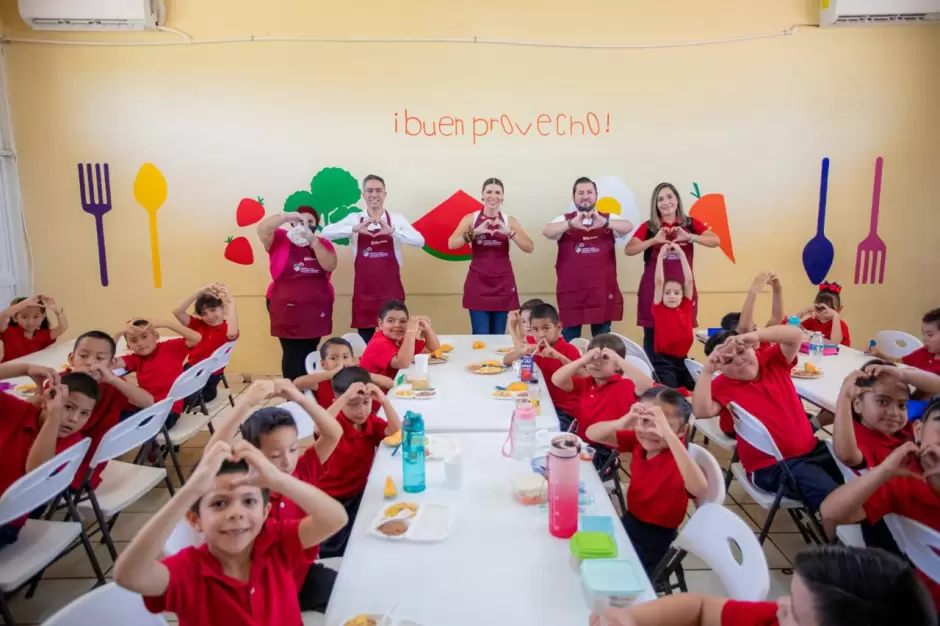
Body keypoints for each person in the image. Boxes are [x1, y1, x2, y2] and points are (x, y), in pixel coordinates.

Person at [113, 440, 348, 626]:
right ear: (195, 520)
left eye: (248, 501)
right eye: (219, 504)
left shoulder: (276, 542)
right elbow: (130, 576)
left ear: (266, 512)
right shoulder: (189, 571)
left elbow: (335, 518)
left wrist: (279, 480)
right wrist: (190, 491)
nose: (236, 513)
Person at [206, 379, 343, 613]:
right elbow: (210, 458)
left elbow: (333, 433)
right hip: (264, 589)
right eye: (275, 455)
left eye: (292, 449)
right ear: (252, 455)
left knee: (352, 595)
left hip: (301, 574)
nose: (287, 461)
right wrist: (246, 402)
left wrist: (300, 398)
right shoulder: (244, 490)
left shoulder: (301, 469)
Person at [692, 326, 843, 523]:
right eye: (728, 361)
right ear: (720, 369)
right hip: (772, 467)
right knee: (835, 500)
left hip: (812, 449)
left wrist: (753, 336)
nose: (739, 360)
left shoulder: (770, 360)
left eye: (742, 350)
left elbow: (796, 335)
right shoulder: (723, 384)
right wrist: (707, 370)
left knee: (857, 472)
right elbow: (701, 411)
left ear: (752, 347)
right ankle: (839, 542)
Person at [590, 545, 938, 626]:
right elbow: (701, 607)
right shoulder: (776, 617)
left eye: (795, 614)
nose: (779, 603)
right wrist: (633, 619)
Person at [820, 398, 940, 611]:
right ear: (919, 430)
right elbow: (830, 512)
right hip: (923, 604)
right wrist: (884, 470)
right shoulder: (902, 479)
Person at [586, 387, 707, 575]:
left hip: (656, 539)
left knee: (607, 572)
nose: (649, 431)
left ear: (682, 430)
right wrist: (624, 420)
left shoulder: (678, 457)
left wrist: (668, 434)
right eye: (644, 421)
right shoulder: (639, 441)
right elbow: (592, 433)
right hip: (631, 520)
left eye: (660, 424)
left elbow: (699, 488)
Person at [0, 363, 98, 549]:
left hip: (6, 522)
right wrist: (24, 369)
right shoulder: (19, 410)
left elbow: (36, 471)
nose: (74, 419)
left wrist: (54, 415)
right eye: (68, 407)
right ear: (46, 400)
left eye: (84, 413)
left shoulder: (73, 444)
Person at [320, 174, 425, 344]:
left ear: (385, 194)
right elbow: (325, 233)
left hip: (392, 294)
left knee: (394, 341)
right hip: (364, 294)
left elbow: (420, 241)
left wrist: (393, 232)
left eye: (378, 190)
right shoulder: (354, 219)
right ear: (364, 194)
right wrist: (354, 229)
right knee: (366, 343)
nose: (374, 194)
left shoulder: (396, 220)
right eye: (369, 191)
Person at [625, 182, 719, 361]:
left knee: (680, 338)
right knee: (652, 342)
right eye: (660, 199)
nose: (666, 202)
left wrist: (690, 237)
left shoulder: (690, 224)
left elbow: (715, 240)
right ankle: (655, 384)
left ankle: (677, 384)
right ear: (655, 204)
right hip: (654, 293)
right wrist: (654, 240)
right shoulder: (650, 226)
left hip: (683, 293)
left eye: (669, 197)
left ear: (677, 199)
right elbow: (630, 249)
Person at [319, 367, 402, 558]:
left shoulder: (369, 421)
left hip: (359, 493)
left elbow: (396, 433)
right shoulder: (333, 424)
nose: (361, 410)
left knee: (366, 541)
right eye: (353, 404)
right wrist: (345, 396)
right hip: (331, 499)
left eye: (366, 402)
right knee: (334, 551)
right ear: (339, 403)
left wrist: (384, 400)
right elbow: (319, 426)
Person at [542, 177, 635, 342]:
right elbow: (547, 231)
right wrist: (571, 224)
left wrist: (604, 223)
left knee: (602, 343)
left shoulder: (608, 219)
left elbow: (628, 226)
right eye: (581, 193)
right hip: (572, 294)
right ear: (574, 197)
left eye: (589, 192)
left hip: (601, 294)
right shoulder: (565, 220)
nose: (585, 196)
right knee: (569, 342)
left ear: (596, 195)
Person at [66, 330, 154, 490]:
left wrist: (113, 379)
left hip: (87, 462)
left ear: (111, 363)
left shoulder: (112, 384)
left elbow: (148, 402)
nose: (90, 362)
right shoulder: (60, 381)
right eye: (83, 356)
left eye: (100, 358)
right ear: (71, 359)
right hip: (59, 452)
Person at [551, 333, 655, 469]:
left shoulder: (625, 386)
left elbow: (647, 386)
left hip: (604, 451)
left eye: (605, 358)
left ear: (617, 366)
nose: (596, 362)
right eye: (593, 358)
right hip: (580, 443)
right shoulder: (586, 383)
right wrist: (582, 361)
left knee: (563, 467)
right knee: (550, 459)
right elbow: (557, 380)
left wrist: (619, 360)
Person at [257, 207, 337, 380]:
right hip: (287, 307)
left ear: (317, 226)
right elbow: (262, 229)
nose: (305, 226)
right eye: (301, 222)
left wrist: (313, 241)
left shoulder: (324, 244)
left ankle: (308, 394)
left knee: (310, 352)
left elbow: (330, 265)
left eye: (311, 223)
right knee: (292, 352)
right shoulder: (279, 239)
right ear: (293, 223)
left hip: (317, 308)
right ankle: (292, 395)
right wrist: (285, 216)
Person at [448, 178, 534, 335]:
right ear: (482, 195)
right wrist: (475, 232)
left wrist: (510, 233)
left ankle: (497, 361)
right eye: (489, 192)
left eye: (497, 192)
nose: (493, 196)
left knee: (499, 336)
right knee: (480, 334)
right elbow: (452, 244)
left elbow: (529, 247)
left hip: (503, 284)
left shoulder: (509, 221)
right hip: (478, 283)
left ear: (502, 197)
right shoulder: (471, 219)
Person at [833, 362, 940, 470]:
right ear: (857, 404)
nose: (894, 412)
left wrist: (902, 374)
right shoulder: (860, 439)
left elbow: (936, 387)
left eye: (902, 405)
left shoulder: (906, 427)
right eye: (882, 402)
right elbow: (847, 456)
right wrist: (845, 396)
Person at [502, 303, 582, 431]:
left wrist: (559, 357)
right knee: (510, 423)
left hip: (564, 410)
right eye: (535, 329)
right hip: (540, 403)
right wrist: (522, 351)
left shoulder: (569, 350)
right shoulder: (535, 345)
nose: (541, 334)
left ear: (559, 327)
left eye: (546, 328)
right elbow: (506, 361)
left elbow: (587, 376)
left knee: (546, 434)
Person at [114, 319, 201, 427]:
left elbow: (196, 338)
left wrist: (166, 323)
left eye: (144, 336)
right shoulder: (135, 359)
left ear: (156, 336)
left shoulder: (170, 348)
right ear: (128, 346)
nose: (140, 343)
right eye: (134, 340)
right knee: (110, 419)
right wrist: (118, 334)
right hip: (145, 408)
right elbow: (107, 361)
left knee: (122, 426)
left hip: (167, 412)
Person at [172, 283, 240, 404]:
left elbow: (233, 333)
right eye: (204, 313)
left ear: (222, 308)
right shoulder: (198, 325)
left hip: (207, 379)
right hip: (189, 371)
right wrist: (198, 292)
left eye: (213, 310)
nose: (209, 316)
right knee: (163, 391)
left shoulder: (227, 329)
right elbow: (177, 312)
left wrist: (230, 303)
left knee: (174, 400)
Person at [294, 337, 394, 408]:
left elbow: (390, 383)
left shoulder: (359, 377)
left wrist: (361, 372)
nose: (340, 362)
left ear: (353, 360)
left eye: (345, 357)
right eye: (333, 358)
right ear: (323, 364)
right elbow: (296, 384)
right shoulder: (322, 382)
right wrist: (329, 374)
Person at [651, 242, 696, 389]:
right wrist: (660, 257)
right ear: (661, 295)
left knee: (694, 386)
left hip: (682, 359)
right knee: (671, 390)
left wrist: (681, 254)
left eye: (676, 293)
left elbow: (689, 281)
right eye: (667, 292)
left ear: (682, 295)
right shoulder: (659, 309)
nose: (672, 296)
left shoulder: (685, 306)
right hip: (664, 360)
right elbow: (659, 282)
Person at [359, 300, 440, 380]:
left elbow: (432, 350)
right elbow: (403, 363)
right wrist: (410, 331)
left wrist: (427, 329)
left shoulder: (400, 339)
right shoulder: (378, 343)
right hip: (377, 391)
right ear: (380, 323)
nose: (397, 325)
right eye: (390, 321)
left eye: (402, 321)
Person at [0, 295, 68, 362]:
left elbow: (62, 328)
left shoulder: (44, 335)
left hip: (31, 371)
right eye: (24, 317)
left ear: (43, 316)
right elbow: (2, 317)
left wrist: (58, 311)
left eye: (36, 317)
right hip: (8, 371)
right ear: (15, 318)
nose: (30, 322)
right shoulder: (9, 331)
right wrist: (21, 305)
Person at [876, 307, 940, 377]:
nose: (924, 339)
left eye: (930, 335)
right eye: (923, 333)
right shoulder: (923, 352)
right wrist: (879, 354)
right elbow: (898, 361)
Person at [794, 281, 850, 347]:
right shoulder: (812, 321)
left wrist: (835, 316)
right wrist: (802, 312)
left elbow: (835, 342)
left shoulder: (840, 324)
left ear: (839, 309)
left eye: (830, 309)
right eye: (820, 308)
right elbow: (793, 329)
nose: (824, 312)